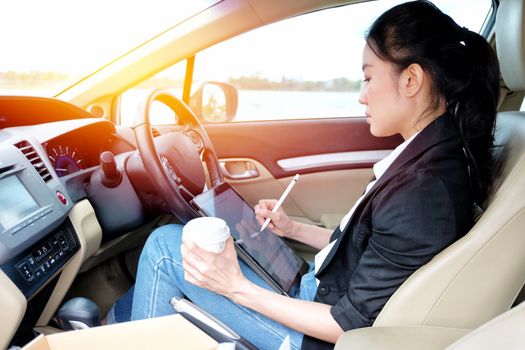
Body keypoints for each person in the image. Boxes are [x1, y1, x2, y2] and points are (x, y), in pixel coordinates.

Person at [108, 1, 500, 349]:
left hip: (314, 336)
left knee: (164, 249)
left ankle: (108, 333)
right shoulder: (428, 155)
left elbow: (349, 324)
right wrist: (291, 229)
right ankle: (110, 332)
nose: (361, 95)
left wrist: (236, 287)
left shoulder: (423, 190)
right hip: (316, 294)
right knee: (182, 249)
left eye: (367, 78)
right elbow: (367, 251)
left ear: (411, 80)